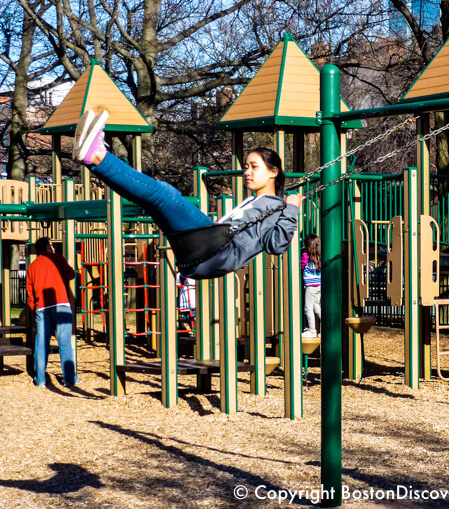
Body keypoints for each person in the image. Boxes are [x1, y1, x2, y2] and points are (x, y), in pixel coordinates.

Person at [73, 109, 302, 280]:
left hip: (213, 253)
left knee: (165, 195)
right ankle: (93, 161)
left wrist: (292, 209)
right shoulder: (258, 201)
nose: (247, 172)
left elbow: (277, 245)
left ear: (274, 172)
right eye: (246, 166)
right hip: (203, 253)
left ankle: (97, 156)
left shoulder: (277, 207)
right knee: (157, 199)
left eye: (254, 167)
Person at [26, 237, 78, 387]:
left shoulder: (32, 267)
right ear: (48, 248)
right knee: (64, 343)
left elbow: (29, 292)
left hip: (42, 308)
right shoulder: (57, 259)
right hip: (61, 304)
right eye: (52, 246)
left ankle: (40, 379)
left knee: (41, 344)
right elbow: (71, 275)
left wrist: (34, 309)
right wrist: (69, 265)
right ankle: (69, 379)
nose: (53, 248)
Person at [301, 234, 321, 338]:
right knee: (316, 306)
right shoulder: (320, 256)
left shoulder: (306, 256)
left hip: (311, 287)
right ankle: (326, 327)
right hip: (319, 286)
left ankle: (312, 330)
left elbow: (301, 266)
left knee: (308, 308)